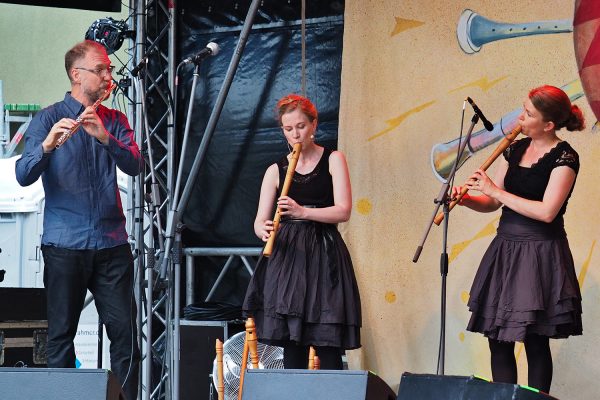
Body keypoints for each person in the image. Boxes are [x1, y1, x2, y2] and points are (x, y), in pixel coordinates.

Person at [15, 40, 142, 400]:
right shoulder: (47, 118)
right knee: (59, 337)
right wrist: (47, 147)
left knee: (125, 337)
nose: (108, 75)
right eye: (101, 69)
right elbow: (24, 175)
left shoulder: (115, 120)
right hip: (63, 245)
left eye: (109, 70)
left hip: (112, 245)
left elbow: (134, 164)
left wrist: (106, 139)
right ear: (77, 74)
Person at [452, 85, 585, 393]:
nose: (520, 118)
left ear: (548, 125)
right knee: (498, 340)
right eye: (523, 110)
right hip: (506, 250)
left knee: (535, 341)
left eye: (528, 114)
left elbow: (546, 212)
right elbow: (492, 203)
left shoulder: (565, 157)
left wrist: (495, 191)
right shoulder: (514, 149)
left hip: (541, 252)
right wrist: (467, 198)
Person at [243, 94, 361, 369]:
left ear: (313, 125)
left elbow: (343, 211)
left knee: (326, 341)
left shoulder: (333, 159)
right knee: (292, 343)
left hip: (324, 253)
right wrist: (264, 229)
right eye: (288, 129)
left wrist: (302, 212)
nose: (295, 134)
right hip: (288, 259)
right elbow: (259, 221)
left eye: (300, 126)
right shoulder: (276, 169)